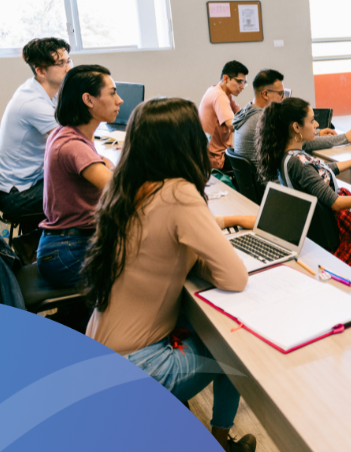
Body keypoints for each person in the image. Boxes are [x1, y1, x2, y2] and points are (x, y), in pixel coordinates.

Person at [82, 97, 257, 452]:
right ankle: (221, 440)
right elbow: (235, 278)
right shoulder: (179, 192)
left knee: (201, 323)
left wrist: (207, 240)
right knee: (235, 352)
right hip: (138, 366)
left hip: (98, 352)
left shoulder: (126, 186)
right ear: (187, 142)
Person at [255, 98, 351, 282]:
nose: (316, 124)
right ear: (296, 127)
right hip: (338, 229)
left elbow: (321, 170)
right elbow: (336, 203)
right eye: (311, 120)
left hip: (322, 227)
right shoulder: (299, 164)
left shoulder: (288, 157)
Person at [36, 65, 121, 288]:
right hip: (68, 253)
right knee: (149, 269)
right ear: (88, 100)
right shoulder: (74, 146)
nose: (119, 100)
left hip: (62, 245)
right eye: (112, 93)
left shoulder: (66, 133)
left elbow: (105, 164)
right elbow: (122, 190)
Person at [0, 37, 72, 228]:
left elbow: (69, 126)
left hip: (30, 181)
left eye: (69, 61)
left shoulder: (42, 91)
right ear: (41, 71)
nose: (69, 68)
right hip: (18, 197)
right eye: (61, 63)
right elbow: (70, 143)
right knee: (87, 192)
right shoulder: (33, 103)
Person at [232, 69, 351, 163]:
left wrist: (317, 132)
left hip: (258, 186)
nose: (283, 99)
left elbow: (293, 135)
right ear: (265, 94)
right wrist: (345, 138)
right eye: (281, 94)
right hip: (272, 185)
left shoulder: (246, 112)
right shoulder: (263, 120)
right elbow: (301, 142)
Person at [199, 60, 248, 174]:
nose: (243, 87)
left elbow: (241, 114)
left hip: (215, 154)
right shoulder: (219, 96)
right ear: (226, 78)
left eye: (244, 83)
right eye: (240, 81)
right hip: (215, 159)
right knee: (255, 163)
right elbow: (233, 125)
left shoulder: (221, 92)